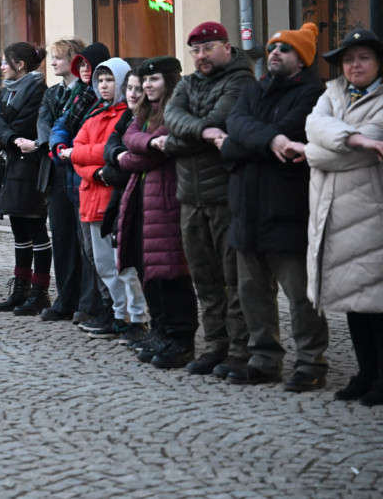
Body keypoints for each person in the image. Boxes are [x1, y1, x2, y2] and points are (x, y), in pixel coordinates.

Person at [217, 23, 330, 391]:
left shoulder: (313, 95)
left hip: (288, 210)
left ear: (302, 58)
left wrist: (253, 140)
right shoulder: (254, 89)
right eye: (272, 47)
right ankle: (264, 358)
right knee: (253, 293)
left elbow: (288, 131)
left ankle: (311, 362)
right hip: (246, 209)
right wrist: (272, 140)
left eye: (285, 49)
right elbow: (234, 128)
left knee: (300, 296)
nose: (275, 53)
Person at [164, 21, 254, 378]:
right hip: (189, 196)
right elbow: (171, 117)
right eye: (196, 51)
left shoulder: (241, 80)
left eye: (208, 49)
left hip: (225, 196)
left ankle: (239, 349)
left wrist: (178, 140)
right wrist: (201, 131)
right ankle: (215, 344)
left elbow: (224, 120)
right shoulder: (186, 83)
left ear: (227, 48)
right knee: (204, 278)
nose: (201, 57)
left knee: (234, 277)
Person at [302, 28, 383, 406]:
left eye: (363, 58)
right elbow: (312, 126)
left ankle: (382, 377)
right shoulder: (332, 93)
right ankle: (365, 373)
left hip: (371, 216)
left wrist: (319, 150)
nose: (354, 65)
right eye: (348, 60)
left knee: (377, 303)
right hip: (333, 216)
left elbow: (321, 151)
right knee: (353, 301)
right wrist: (357, 139)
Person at [115, 57, 198, 368]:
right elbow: (128, 136)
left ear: (170, 82)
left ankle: (180, 338)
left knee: (172, 272)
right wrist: (147, 145)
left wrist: (129, 156)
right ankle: (161, 328)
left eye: (154, 80)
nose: (147, 86)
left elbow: (143, 157)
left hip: (167, 201)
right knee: (148, 270)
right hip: (142, 201)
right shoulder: (145, 112)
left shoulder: (176, 110)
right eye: (145, 81)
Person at [63, 57, 146, 338]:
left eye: (110, 80)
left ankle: (136, 317)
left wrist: (89, 159)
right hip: (90, 198)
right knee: (104, 266)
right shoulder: (94, 114)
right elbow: (77, 152)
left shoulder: (127, 116)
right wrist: (94, 169)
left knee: (123, 266)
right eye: (100, 80)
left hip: (113, 200)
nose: (103, 85)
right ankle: (118, 315)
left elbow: (105, 152)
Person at [48, 41, 112, 325]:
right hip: (67, 174)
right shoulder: (78, 96)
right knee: (66, 241)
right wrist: (59, 146)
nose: (86, 70)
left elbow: (99, 144)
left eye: (90, 66)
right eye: (82, 66)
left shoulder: (104, 100)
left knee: (92, 248)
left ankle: (94, 305)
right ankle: (70, 300)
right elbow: (59, 124)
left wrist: (73, 152)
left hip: (90, 179)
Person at [0, 43, 52, 313]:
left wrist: (6, 135)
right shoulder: (9, 91)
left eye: (6, 62)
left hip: (31, 166)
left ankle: (40, 292)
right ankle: (21, 289)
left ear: (20, 65)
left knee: (36, 228)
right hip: (11, 163)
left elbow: (19, 125)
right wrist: (9, 137)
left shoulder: (39, 92)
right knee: (18, 231)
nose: (2, 66)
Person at [35, 37, 87, 321]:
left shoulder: (87, 90)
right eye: (51, 57)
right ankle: (66, 298)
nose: (52, 62)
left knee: (85, 239)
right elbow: (43, 122)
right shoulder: (52, 93)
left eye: (57, 57)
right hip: (56, 167)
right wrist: (52, 147)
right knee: (63, 236)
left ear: (74, 59)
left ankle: (87, 301)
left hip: (81, 166)